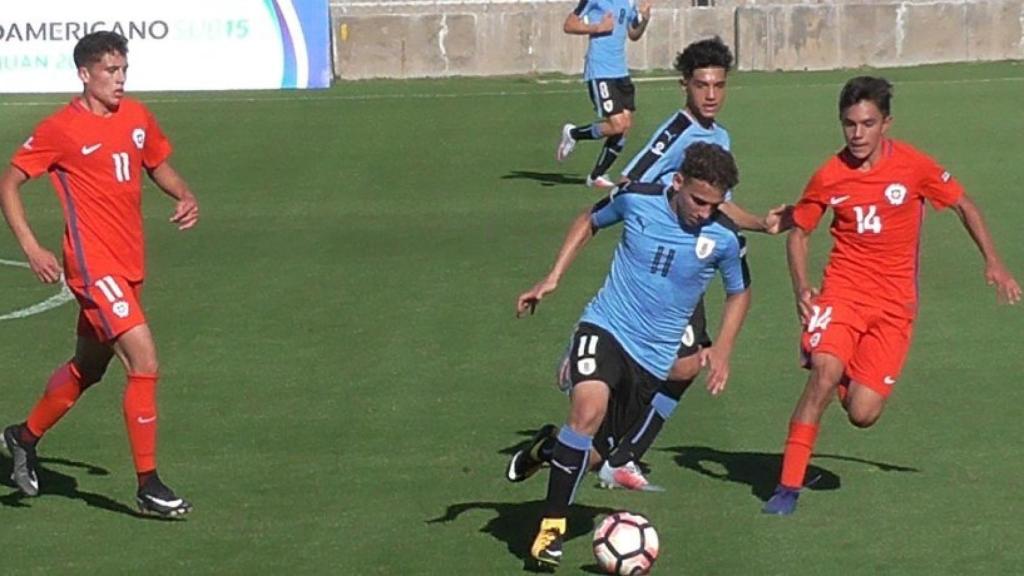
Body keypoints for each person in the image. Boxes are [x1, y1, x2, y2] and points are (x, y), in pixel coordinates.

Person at [761, 76, 1021, 516]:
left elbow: (963, 204)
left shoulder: (914, 166)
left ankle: (836, 363)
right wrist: (801, 288)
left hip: (894, 307)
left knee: (863, 413)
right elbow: (799, 233)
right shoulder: (829, 175)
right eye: (849, 124)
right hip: (842, 292)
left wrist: (993, 262)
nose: (857, 134)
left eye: (867, 123)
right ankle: (787, 487)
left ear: (886, 123)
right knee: (823, 374)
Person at [512, 142, 751, 568]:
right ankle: (552, 529)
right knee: (587, 411)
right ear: (677, 182)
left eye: (715, 206)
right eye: (698, 201)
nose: (704, 213)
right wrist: (552, 278)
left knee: (595, 455)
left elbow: (739, 292)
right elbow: (589, 220)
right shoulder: (637, 199)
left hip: (651, 359)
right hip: (606, 326)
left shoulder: (725, 239)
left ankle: (547, 450)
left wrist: (725, 350)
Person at [0, 31, 199, 517]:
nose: (120, 80)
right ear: (85, 74)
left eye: (124, 70)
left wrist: (184, 194)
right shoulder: (59, 129)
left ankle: (22, 438)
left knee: (88, 368)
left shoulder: (135, 117)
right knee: (145, 361)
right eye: (111, 72)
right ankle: (148, 484)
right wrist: (31, 245)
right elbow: (10, 182)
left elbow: (158, 163)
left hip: (129, 264)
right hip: (93, 268)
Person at [590, 37, 789, 491]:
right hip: (661, 269)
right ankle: (612, 451)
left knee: (684, 366)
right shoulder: (676, 132)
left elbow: (717, 208)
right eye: (702, 85)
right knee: (677, 365)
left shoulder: (720, 137)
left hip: (690, 267)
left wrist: (760, 223)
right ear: (686, 86)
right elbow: (630, 181)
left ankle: (616, 451)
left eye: (719, 85)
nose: (712, 95)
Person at [555, 0, 651, 188]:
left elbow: (633, 34)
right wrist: (598, 27)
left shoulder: (628, 2)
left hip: (621, 72)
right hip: (600, 71)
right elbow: (569, 25)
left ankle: (597, 175)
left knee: (625, 126)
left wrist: (644, 19)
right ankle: (573, 134)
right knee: (617, 125)